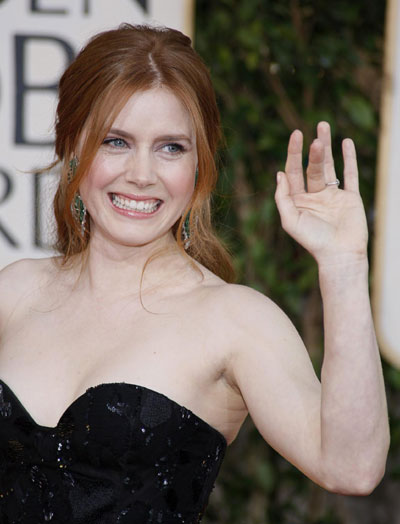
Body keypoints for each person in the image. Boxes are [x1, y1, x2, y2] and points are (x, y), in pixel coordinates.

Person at [0, 23, 389, 523]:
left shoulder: (234, 320)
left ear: (201, 165)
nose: (141, 174)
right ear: (73, 144)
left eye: (171, 148)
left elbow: (351, 469)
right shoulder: (16, 291)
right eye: (116, 141)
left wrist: (343, 265)